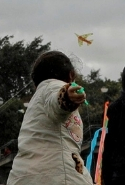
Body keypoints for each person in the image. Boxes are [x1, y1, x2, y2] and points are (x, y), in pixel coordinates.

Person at [6, 51, 89, 185]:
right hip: (57, 175)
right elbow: (56, 101)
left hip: (23, 176)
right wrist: (67, 97)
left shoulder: (36, 100)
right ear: (70, 75)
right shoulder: (53, 86)